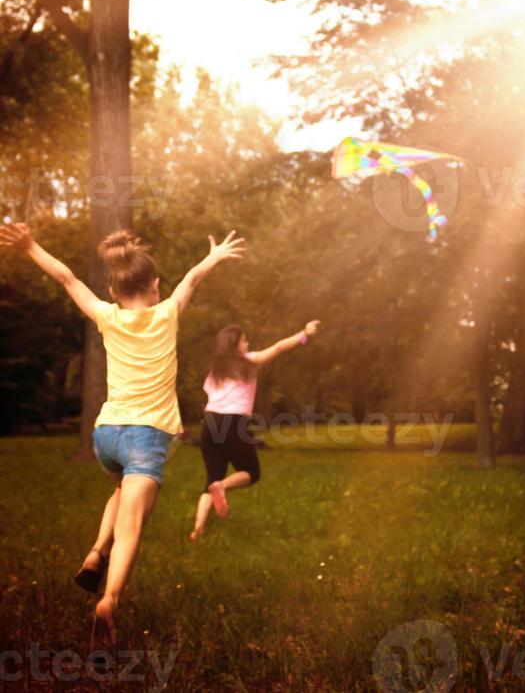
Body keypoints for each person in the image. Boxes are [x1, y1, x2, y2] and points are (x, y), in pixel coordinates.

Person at [0, 222, 245, 647]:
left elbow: (66, 277)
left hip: (107, 437)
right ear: (154, 285)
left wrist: (29, 245)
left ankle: (96, 553)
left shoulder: (105, 315)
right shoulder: (167, 313)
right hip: (146, 440)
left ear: (113, 291)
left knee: (119, 492)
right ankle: (108, 602)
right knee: (131, 527)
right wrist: (214, 256)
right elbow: (192, 278)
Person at [190, 319, 320, 540]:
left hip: (210, 423)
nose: (247, 343)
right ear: (234, 345)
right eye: (243, 340)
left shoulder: (214, 371)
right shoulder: (248, 362)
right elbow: (278, 348)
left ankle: (197, 530)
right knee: (251, 472)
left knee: (211, 478)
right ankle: (222, 486)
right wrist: (304, 334)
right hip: (233, 422)